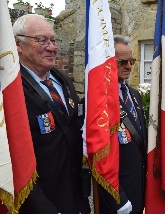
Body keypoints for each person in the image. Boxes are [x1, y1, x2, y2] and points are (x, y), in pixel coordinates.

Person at [13, 14, 90, 213]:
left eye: (53, 40)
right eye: (41, 40)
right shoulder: (10, 91)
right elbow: (13, 160)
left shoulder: (63, 80)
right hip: (38, 204)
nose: (52, 47)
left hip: (75, 200)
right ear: (18, 44)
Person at [98, 35, 147, 214]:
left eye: (131, 61)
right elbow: (100, 155)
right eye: (122, 62)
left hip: (138, 184)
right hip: (117, 190)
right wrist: (117, 197)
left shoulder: (134, 94)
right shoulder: (98, 99)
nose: (128, 66)